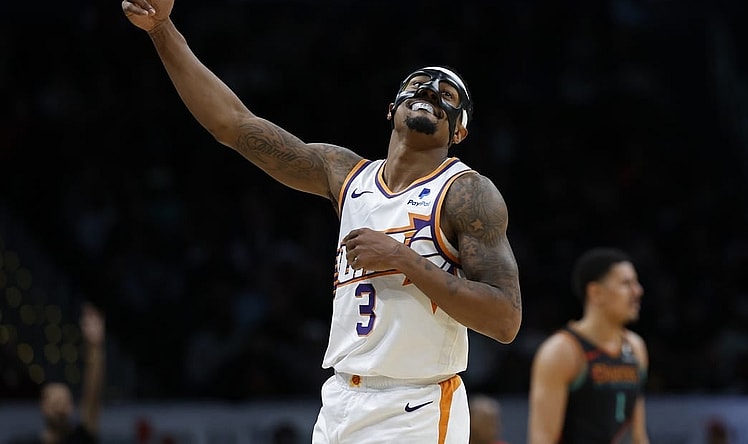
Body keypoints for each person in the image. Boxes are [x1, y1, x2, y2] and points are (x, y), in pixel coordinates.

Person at [121, 1, 522, 443]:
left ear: (459, 132)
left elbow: (505, 320)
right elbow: (233, 125)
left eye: (447, 96)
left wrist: (401, 258)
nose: (430, 92)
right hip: (340, 400)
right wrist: (162, 29)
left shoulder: (468, 193)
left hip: (416, 408)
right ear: (392, 109)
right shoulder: (344, 175)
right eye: (419, 85)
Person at [527, 247, 650, 444]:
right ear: (596, 292)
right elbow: (542, 439)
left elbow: (638, 436)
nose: (638, 291)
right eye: (627, 283)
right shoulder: (562, 351)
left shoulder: (636, 347)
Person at [12, 303, 106, 444]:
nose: (60, 408)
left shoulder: (81, 438)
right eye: (55, 403)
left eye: (64, 402)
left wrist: (95, 348)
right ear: (43, 406)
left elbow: (92, 397)